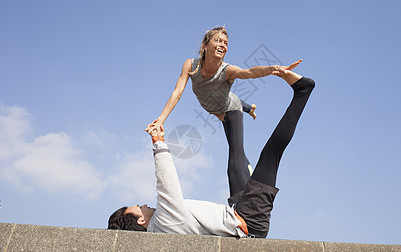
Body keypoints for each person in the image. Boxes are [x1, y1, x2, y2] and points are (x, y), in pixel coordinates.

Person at [109, 68, 315, 238]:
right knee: (271, 153)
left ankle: (231, 112)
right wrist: (158, 142)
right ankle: (302, 91)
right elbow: (166, 181)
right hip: (248, 220)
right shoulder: (163, 218)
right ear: (141, 220)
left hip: (237, 212)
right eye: (139, 207)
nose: (144, 204)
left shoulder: (162, 231)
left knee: (234, 164)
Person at [146, 26, 302, 197]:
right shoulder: (191, 65)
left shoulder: (227, 71)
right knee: (225, 100)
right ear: (205, 45)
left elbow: (249, 72)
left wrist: (273, 68)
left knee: (236, 155)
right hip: (214, 105)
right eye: (218, 40)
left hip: (229, 109)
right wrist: (161, 119)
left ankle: (241, 199)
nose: (222, 45)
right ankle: (250, 108)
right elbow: (177, 93)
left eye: (226, 43)